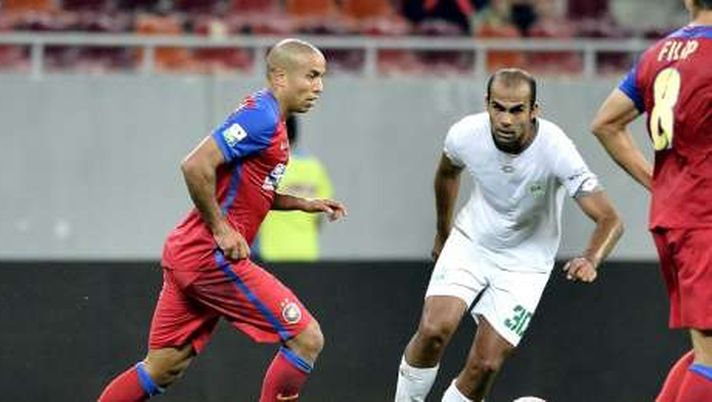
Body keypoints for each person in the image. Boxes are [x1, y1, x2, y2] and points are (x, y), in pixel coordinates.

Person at [97, 38, 347, 402]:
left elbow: (252, 188)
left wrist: (301, 204)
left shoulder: (270, 119)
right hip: (210, 256)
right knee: (306, 338)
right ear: (280, 76)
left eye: (321, 77)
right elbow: (195, 165)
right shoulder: (261, 118)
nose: (319, 87)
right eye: (311, 76)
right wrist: (221, 228)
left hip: (189, 252)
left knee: (162, 367)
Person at [394, 68, 623, 402]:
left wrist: (591, 259)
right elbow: (446, 174)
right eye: (498, 108)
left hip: (526, 264)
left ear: (534, 111)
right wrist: (443, 233)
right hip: (472, 242)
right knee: (433, 330)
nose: (505, 119)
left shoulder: (556, 148)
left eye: (517, 110)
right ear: (486, 104)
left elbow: (610, 218)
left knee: (485, 365)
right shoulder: (465, 134)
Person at [591, 1, 712, 401]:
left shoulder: (657, 54)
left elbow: (606, 123)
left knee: (703, 350)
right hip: (705, 221)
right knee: (710, 357)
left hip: (675, 216)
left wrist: (659, 183)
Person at [257, 115, 334, 262]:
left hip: (271, 254)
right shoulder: (315, 168)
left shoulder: (268, 167)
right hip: (307, 253)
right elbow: (321, 216)